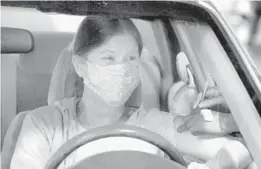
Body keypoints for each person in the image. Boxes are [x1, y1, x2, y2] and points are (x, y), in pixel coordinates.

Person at [10, 16, 253, 169]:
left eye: (130, 58)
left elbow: (242, 149)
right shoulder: (41, 125)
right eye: (109, 58)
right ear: (80, 65)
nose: (123, 69)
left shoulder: (153, 123)